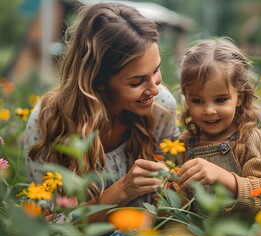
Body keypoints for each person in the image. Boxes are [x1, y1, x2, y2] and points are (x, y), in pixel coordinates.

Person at [24, 2, 179, 223]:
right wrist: (122, 191)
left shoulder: (161, 106)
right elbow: (47, 228)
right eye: (136, 82)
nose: (154, 88)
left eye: (156, 70)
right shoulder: (49, 120)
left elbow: (170, 202)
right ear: (99, 81)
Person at [176, 38, 261, 216]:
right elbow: (180, 205)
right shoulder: (184, 143)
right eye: (197, 101)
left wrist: (222, 177)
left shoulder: (250, 140)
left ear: (240, 97)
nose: (209, 110)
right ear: (186, 97)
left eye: (220, 100)